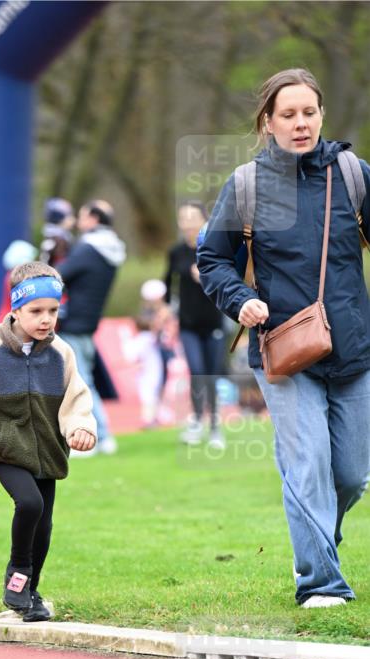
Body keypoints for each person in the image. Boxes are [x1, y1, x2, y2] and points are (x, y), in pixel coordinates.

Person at [197, 67, 370, 609]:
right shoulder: (247, 186)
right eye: (288, 115)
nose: (301, 123)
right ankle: (319, 581)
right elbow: (211, 259)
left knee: (352, 474)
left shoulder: (353, 175)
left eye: (310, 112)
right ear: (267, 123)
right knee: (308, 464)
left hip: (355, 348)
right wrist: (238, 299)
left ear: (321, 114)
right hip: (283, 350)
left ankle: (316, 541)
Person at [0, 261, 96, 622]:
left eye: (53, 311)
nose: (46, 319)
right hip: (3, 446)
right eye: (36, 311)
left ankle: (30, 592)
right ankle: (17, 572)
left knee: (44, 523)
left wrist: (80, 428)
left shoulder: (62, 353)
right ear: (16, 310)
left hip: (47, 448)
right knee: (29, 503)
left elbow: (76, 398)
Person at [58, 199, 126, 455]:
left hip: (73, 323)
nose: (78, 221)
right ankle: (101, 437)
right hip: (89, 324)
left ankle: (99, 437)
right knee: (84, 381)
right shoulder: (111, 249)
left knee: (80, 383)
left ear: (94, 219)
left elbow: (59, 274)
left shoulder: (88, 248)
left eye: (82, 216)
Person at [166, 201, 226, 449]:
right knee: (196, 371)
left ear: (204, 220)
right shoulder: (176, 252)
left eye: (192, 218)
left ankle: (215, 427)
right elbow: (167, 285)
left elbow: (231, 280)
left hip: (214, 322)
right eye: (183, 218)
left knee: (211, 374)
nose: (187, 223)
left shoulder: (216, 248)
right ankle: (197, 422)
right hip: (187, 323)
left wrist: (207, 277)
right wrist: (164, 311)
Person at [121, 279, 177, 428]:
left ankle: (158, 413)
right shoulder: (146, 312)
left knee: (162, 382)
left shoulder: (166, 309)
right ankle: (150, 416)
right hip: (152, 351)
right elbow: (146, 327)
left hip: (163, 349)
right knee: (151, 383)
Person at [40, 197, 75, 267]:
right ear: (59, 219)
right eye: (69, 216)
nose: (73, 220)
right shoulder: (57, 239)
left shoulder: (62, 237)